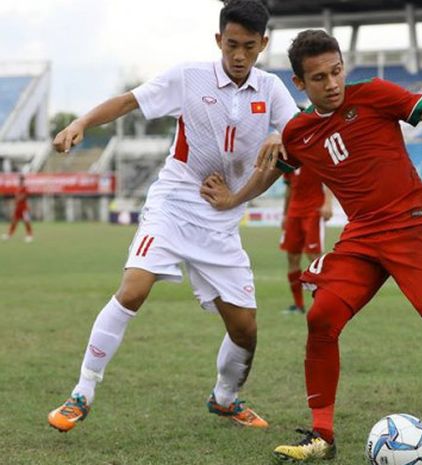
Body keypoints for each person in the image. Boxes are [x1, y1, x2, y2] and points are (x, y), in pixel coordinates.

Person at [199, 29, 422, 461]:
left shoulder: (376, 95)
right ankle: (322, 435)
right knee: (322, 317)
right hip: (362, 235)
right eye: (320, 78)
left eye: (337, 71)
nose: (333, 84)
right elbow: (271, 173)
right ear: (300, 84)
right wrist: (234, 198)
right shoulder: (300, 131)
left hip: (412, 225)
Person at [47, 0, 298, 433]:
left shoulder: (274, 91)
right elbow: (129, 101)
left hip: (223, 218)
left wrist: (271, 145)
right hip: (175, 202)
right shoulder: (189, 77)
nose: (239, 55)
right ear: (218, 40)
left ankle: (224, 398)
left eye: (249, 47)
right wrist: (82, 123)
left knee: (246, 330)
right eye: (232, 45)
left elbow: (293, 150)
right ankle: (81, 392)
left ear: (263, 45)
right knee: (133, 289)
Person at [280, 160, 333, 314]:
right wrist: (285, 214)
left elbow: (329, 180)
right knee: (292, 258)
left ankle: (328, 303)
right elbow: (289, 189)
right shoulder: (288, 160)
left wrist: (328, 204)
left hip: (313, 211)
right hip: (293, 213)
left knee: (314, 256)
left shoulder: (313, 154)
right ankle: (298, 305)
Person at [2, 174, 33, 242]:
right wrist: (15, 201)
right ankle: (9, 235)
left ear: (23, 180)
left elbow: (24, 196)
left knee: (26, 222)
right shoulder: (18, 188)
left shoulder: (25, 187)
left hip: (24, 208)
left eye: (22, 179)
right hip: (18, 209)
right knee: (14, 222)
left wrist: (18, 199)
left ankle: (29, 235)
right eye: (20, 179)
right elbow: (16, 197)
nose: (20, 180)